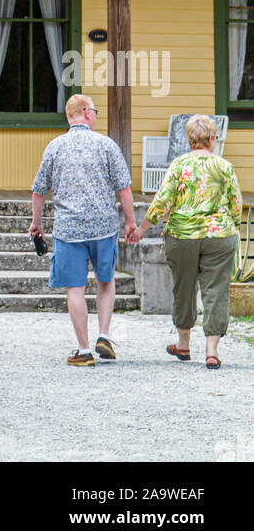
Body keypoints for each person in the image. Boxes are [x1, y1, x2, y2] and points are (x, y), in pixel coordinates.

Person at [30, 93, 136, 366]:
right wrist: (130, 222)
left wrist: (37, 223)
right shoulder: (107, 145)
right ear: (86, 112)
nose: (97, 115)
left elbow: (39, 190)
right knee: (105, 281)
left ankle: (84, 349)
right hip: (104, 227)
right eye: (96, 111)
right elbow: (123, 188)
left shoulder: (55, 147)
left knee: (75, 288)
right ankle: (103, 334)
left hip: (69, 229)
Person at [131, 114, 242, 368]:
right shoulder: (224, 167)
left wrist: (141, 229)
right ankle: (211, 351)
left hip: (183, 236)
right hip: (219, 236)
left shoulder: (179, 165)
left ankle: (183, 345)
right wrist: (230, 225)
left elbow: (162, 202)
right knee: (216, 291)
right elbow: (236, 206)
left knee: (184, 288)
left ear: (189, 139)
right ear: (212, 138)